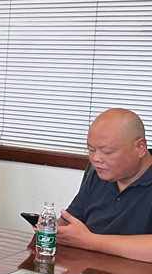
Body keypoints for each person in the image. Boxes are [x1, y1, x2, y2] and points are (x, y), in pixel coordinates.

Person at [58, 108, 152, 262]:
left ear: (140, 147)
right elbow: (70, 221)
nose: (96, 159)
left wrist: (91, 241)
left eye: (107, 152)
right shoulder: (98, 173)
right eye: (91, 149)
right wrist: (51, 229)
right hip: (91, 269)